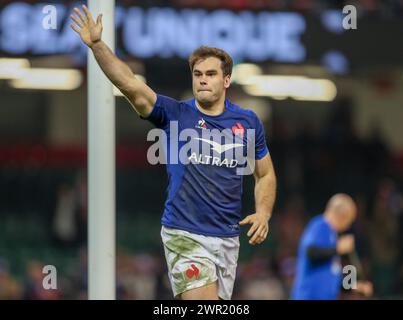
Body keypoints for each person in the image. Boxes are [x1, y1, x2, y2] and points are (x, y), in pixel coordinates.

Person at [70, 5, 276, 300]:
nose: (202, 79)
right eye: (197, 74)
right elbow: (129, 84)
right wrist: (98, 46)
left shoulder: (248, 121)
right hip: (184, 233)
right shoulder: (175, 113)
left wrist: (264, 212)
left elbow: (265, 172)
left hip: (227, 238)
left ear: (226, 80)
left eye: (211, 74)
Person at [291, 193, 373, 300]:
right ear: (344, 216)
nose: (348, 226)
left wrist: (354, 286)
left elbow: (333, 274)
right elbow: (311, 252)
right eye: (350, 221)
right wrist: (338, 248)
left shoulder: (332, 236)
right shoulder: (320, 225)